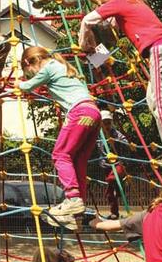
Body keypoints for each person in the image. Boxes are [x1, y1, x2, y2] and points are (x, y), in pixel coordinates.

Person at [77, 0, 162, 166]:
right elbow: (112, 28)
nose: (101, 0)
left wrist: (84, 44)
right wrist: (100, 4)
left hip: (158, 48)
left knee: (161, 103)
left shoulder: (119, 0)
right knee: (154, 99)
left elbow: (88, 21)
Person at [18, 46, 100, 228]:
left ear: (28, 63)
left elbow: (26, 86)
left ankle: (72, 198)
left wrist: (18, 83)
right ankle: (77, 210)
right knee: (78, 160)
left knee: (60, 154)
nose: (32, 75)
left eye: (29, 72)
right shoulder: (61, 66)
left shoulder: (48, 67)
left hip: (79, 112)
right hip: (93, 113)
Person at [98, 109, 137, 218]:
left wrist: (116, 141)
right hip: (106, 165)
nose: (106, 125)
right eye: (104, 123)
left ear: (111, 123)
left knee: (113, 179)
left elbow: (124, 140)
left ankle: (120, 189)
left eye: (108, 122)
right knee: (111, 192)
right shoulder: (99, 135)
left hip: (118, 163)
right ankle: (114, 212)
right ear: (100, 123)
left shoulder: (115, 133)